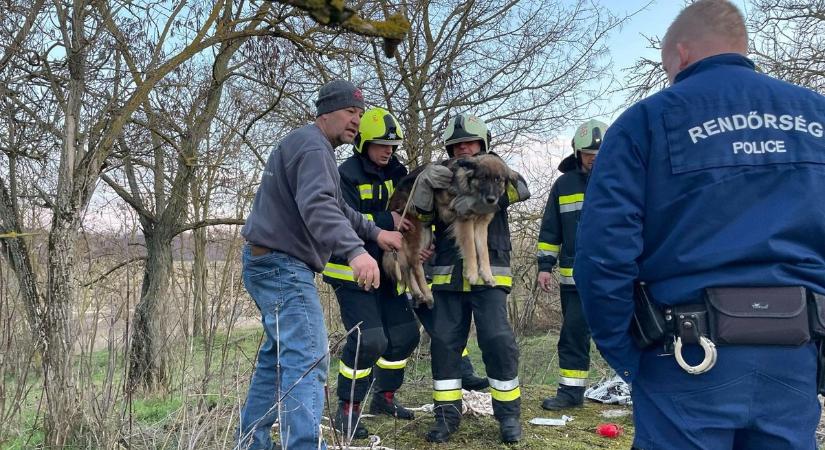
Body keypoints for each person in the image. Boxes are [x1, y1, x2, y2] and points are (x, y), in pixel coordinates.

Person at [574, 1, 825, 449]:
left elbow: (602, 254)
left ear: (682, 54)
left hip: (686, 357)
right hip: (795, 351)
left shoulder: (646, 122)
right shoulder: (816, 116)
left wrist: (627, 351)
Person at [237, 80, 402, 450]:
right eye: (349, 112)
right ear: (325, 111)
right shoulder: (313, 146)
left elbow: (340, 208)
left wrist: (376, 234)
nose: (356, 121)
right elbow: (319, 207)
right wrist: (356, 252)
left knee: (278, 360)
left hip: (269, 263)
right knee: (309, 358)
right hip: (283, 267)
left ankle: (252, 442)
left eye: (360, 114)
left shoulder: (310, 146)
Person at [412, 113, 530, 444]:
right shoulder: (443, 177)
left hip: (490, 275)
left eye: (470, 143)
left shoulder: (498, 170)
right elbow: (422, 216)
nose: (464, 148)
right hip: (449, 275)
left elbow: (522, 189)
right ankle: (447, 418)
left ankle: (508, 417)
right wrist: (424, 184)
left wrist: (482, 192)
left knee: (496, 341)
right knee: (445, 345)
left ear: (483, 144)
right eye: (457, 144)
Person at [322, 107, 420, 439]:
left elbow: (410, 214)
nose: (387, 151)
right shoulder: (344, 175)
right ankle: (347, 410)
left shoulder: (399, 172)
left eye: (392, 146)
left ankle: (384, 397)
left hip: (390, 271)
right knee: (369, 341)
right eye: (381, 145)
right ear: (363, 142)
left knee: (406, 335)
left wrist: (417, 242)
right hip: (351, 272)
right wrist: (385, 221)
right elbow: (340, 218)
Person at [536, 119, 608, 410]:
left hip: (615, 279)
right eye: (589, 153)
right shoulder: (563, 185)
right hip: (574, 282)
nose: (594, 158)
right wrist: (544, 265)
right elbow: (550, 230)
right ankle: (571, 393)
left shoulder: (623, 179)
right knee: (573, 335)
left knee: (624, 334)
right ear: (577, 153)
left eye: (599, 153)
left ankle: (638, 391)